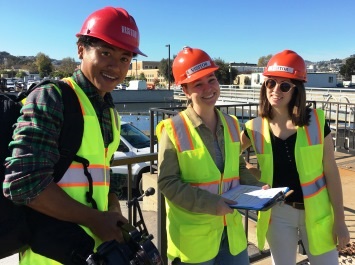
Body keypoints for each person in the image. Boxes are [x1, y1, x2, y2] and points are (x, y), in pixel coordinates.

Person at [4, 6, 146, 265]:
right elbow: (23, 183)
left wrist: (112, 207)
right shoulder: (52, 97)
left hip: (93, 253)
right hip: (48, 256)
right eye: (105, 53)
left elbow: (99, 174)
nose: (116, 67)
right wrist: (94, 219)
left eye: (125, 58)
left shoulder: (109, 111)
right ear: (81, 49)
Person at [157, 46, 265, 265]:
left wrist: (257, 189)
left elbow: (237, 169)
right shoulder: (172, 129)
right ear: (185, 90)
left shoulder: (232, 124)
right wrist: (211, 204)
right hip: (194, 242)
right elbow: (168, 183)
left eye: (212, 80)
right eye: (198, 83)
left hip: (231, 234)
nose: (208, 88)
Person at [240, 49, 350, 265]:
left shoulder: (316, 122)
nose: (275, 90)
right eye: (270, 83)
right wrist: (250, 175)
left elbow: (331, 172)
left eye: (284, 85)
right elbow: (227, 155)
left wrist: (340, 220)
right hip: (278, 214)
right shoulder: (253, 127)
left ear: (296, 89)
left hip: (317, 213)